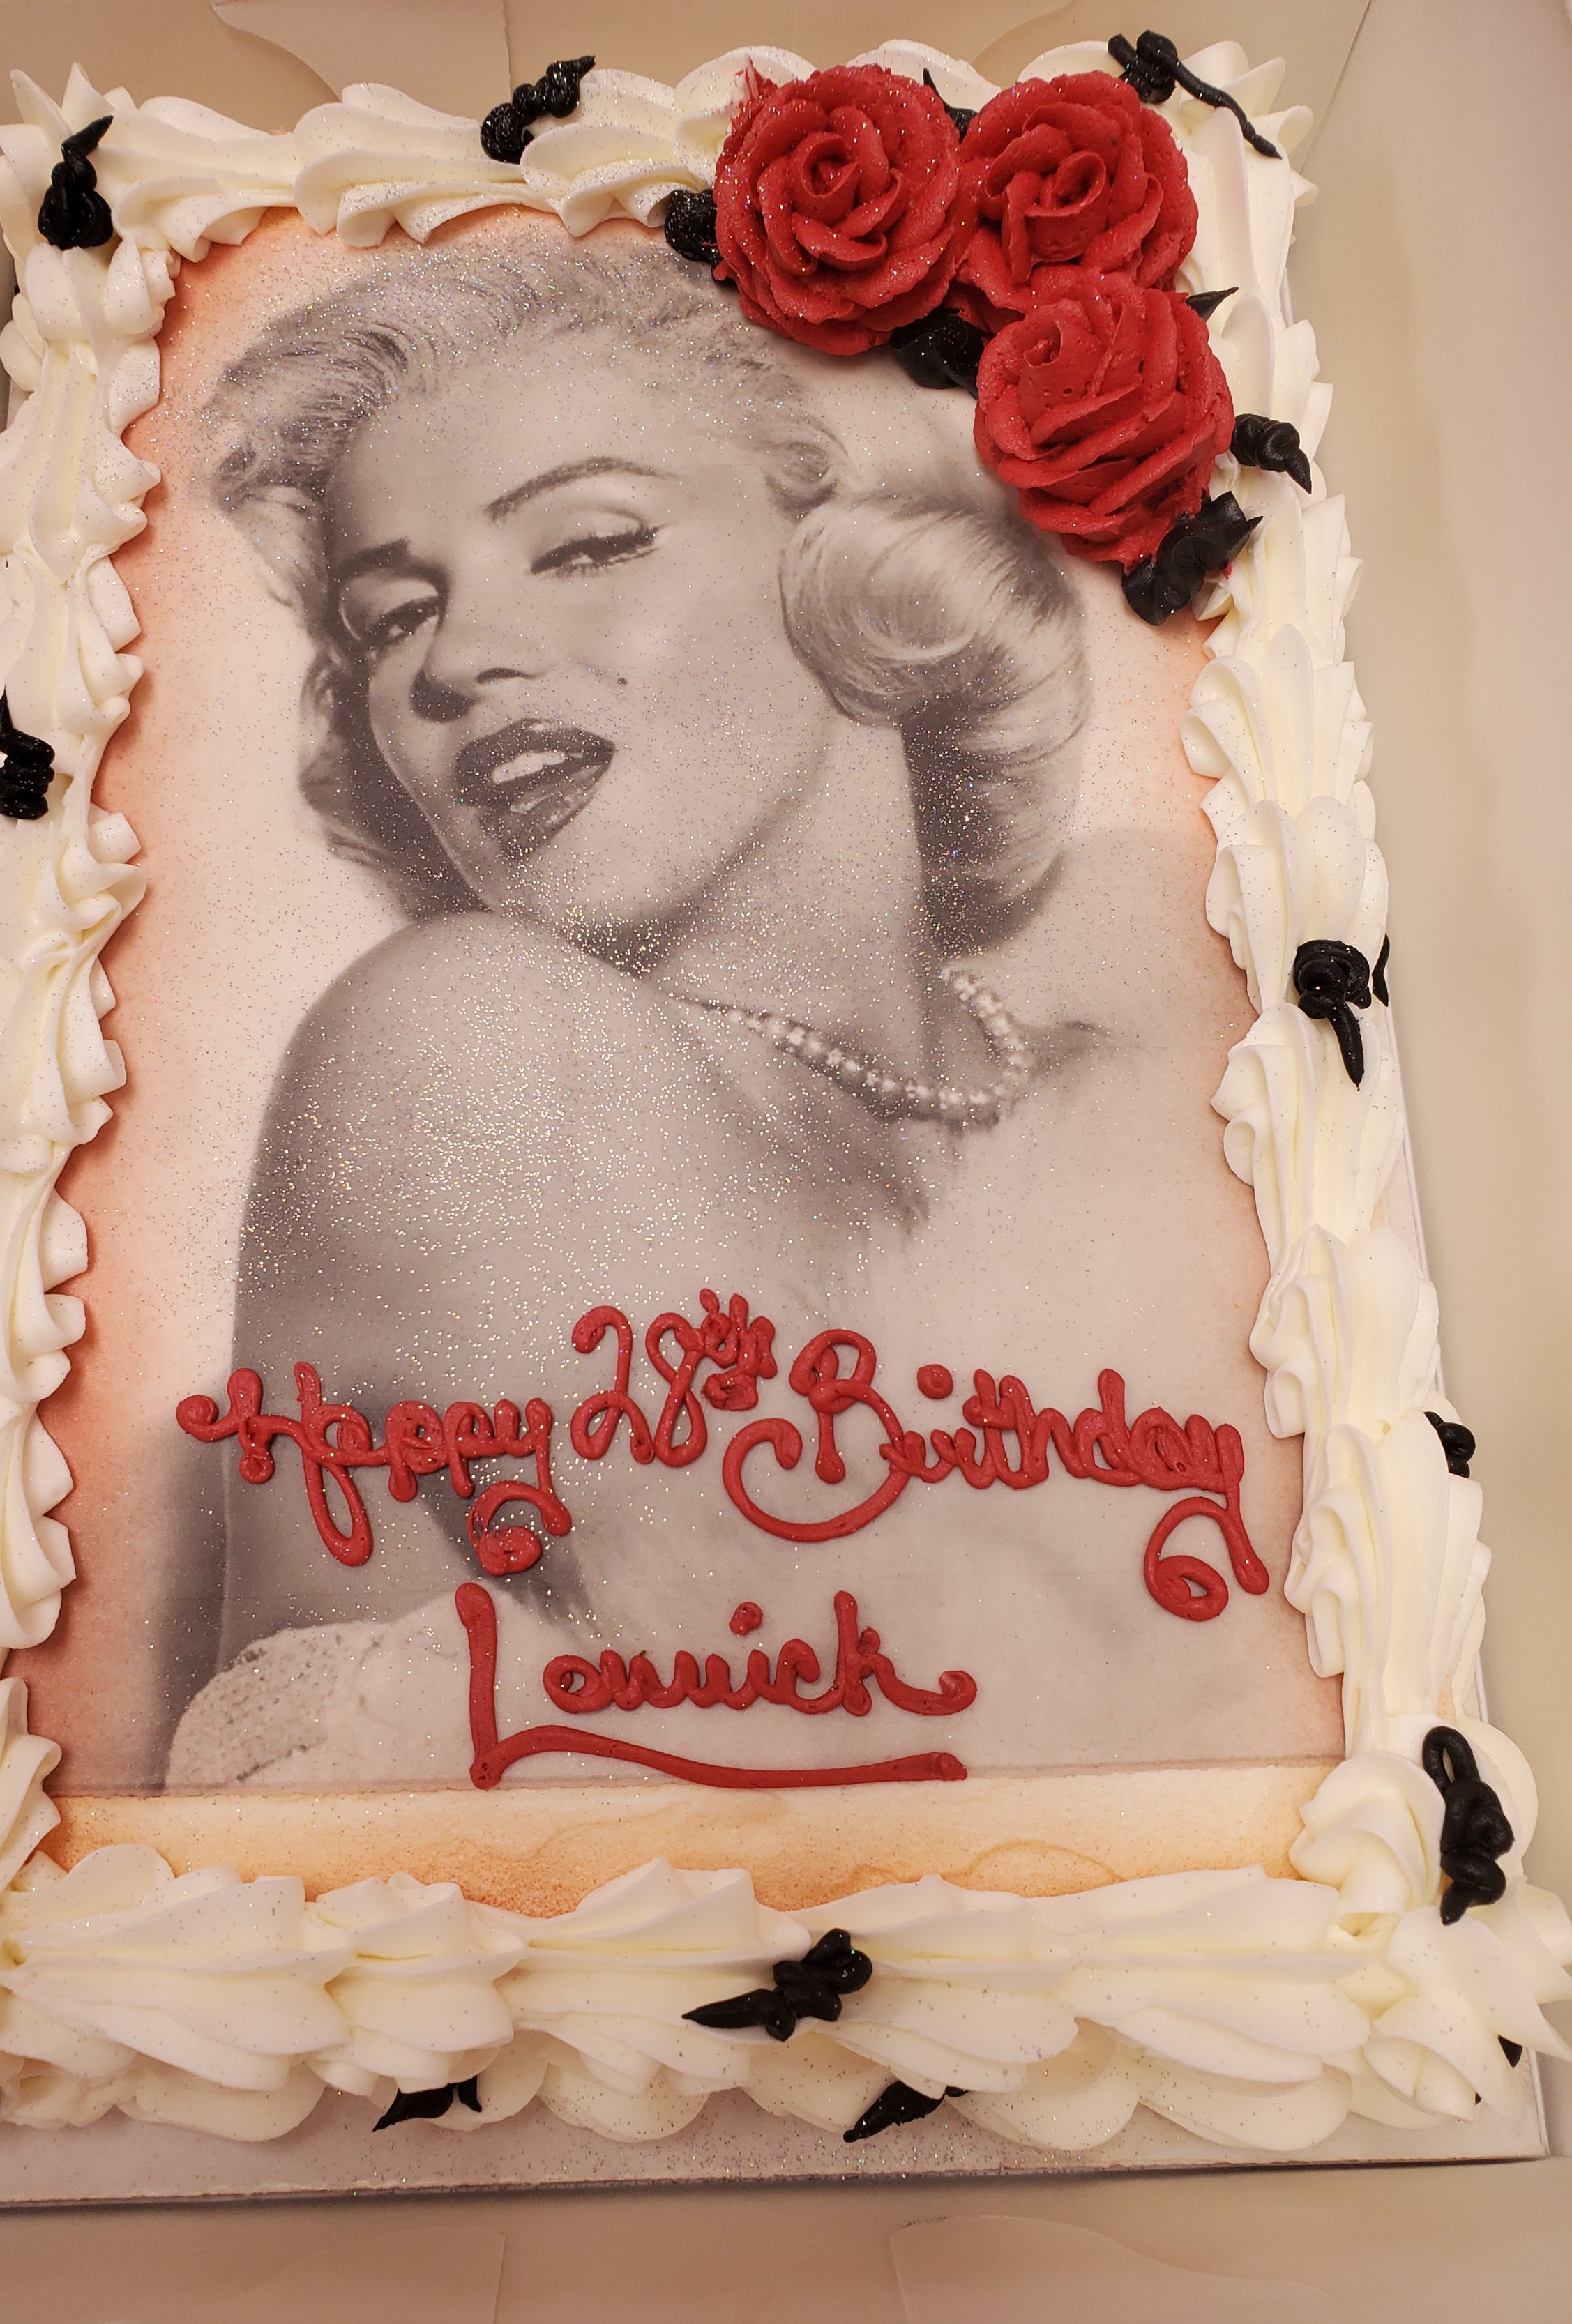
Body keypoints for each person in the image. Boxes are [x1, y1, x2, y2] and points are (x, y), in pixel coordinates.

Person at [166, 220, 1274, 1791]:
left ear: (849, 551)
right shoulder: (464, 1048)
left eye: (586, 545)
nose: (454, 661)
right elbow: (902, 1728)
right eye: (390, 615)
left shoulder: (1166, 1053)